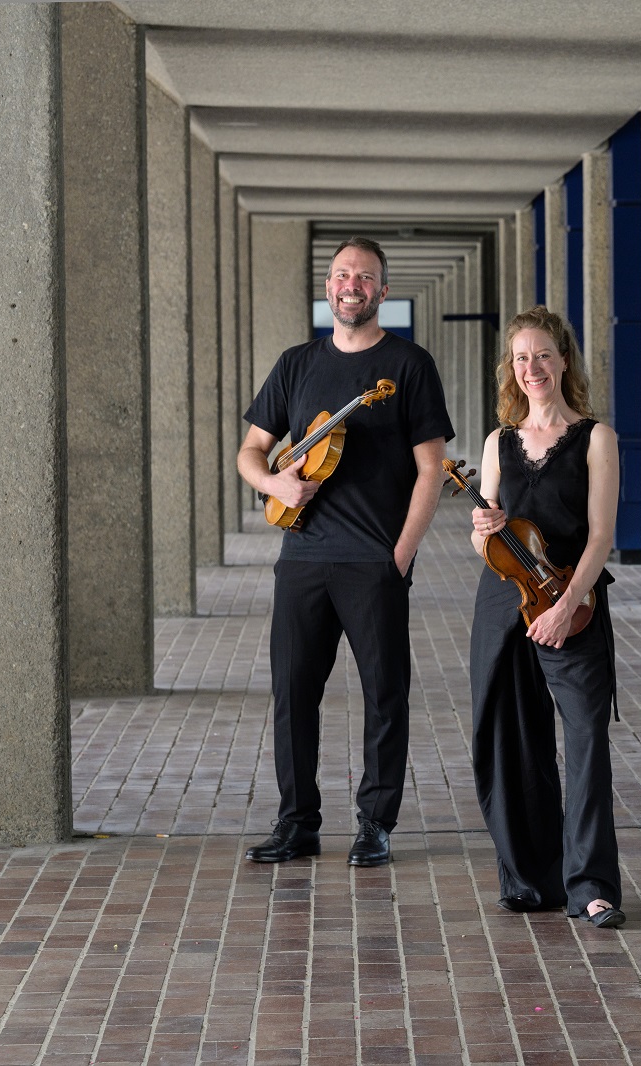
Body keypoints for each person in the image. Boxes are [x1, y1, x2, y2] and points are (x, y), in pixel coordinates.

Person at [238, 236, 454, 867]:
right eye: (340, 275)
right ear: (327, 287)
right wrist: (274, 484)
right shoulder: (296, 364)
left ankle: (375, 824)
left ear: (382, 291)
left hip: (373, 561)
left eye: (363, 277)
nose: (350, 285)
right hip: (302, 558)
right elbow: (250, 452)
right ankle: (297, 824)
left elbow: (431, 469)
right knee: (293, 694)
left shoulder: (409, 366)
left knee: (384, 695)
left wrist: (401, 554)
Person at [467, 307, 625, 928]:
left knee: (586, 741)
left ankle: (591, 886)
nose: (531, 367)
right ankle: (532, 880)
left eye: (541, 355)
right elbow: (486, 540)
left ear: (563, 361)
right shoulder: (497, 443)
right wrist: (482, 528)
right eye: (520, 358)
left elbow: (602, 536)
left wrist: (566, 605)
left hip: (573, 604)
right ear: (511, 369)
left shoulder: (596, 438)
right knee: (510, 740)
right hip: (502, 604)